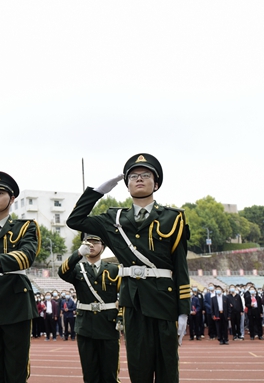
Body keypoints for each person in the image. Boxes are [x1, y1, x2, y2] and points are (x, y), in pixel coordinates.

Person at [66, 153, 191, 383]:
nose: (139, 178)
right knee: (138, 369)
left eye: (146, 175)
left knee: (167, 369)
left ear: (156, 183)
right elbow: (75, 220)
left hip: (165, 303)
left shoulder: (173, 218)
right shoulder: (114, 219)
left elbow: (180, 266)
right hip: (133, 303)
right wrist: (97, 192)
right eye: (133, 176)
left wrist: (183, 309)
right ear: (127, 185)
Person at [0, 171, 39, 383]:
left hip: (16, 305)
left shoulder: (25, 227)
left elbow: (27, 255)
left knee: (16, 370)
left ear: (12, 199)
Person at [58, 233, 121, 383]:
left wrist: (121, 316)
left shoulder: (114, 269)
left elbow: (124, 296)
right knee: (90, 374)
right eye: (87, 242)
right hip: (85, 326)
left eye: (95, 242)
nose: (91, 245)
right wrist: (78, 254)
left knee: (110, 374)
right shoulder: (77, 269)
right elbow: (62, 272)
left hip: (108, 325)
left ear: (103, 247)